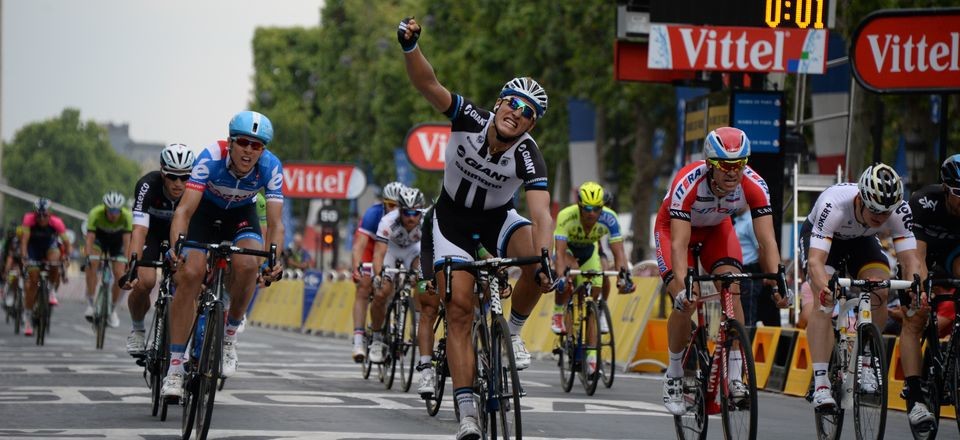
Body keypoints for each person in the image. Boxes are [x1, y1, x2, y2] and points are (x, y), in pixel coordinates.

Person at [399, 17, 555, 440]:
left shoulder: (528, 155)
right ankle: (467, 412)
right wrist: (411, 48)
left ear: (530, 125)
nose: (517, 114)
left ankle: (516, 332)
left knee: (537, 263)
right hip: (450, 221)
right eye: (513, 104)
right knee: (461, 310)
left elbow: (541, 214)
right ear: (499, 103)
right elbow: (429, 85)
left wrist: (544, 260)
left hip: (496, 219)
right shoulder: (468, 116)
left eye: (528, 113)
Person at [657, 127, 789, 415]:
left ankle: (734, 374)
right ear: (710, 164)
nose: (733, 173)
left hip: (717, 231)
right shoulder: (687, 183)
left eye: (740, 164)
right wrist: (682, 287)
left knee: (733, 286)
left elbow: (766, 240)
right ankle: (675, 374)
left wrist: (777, 279)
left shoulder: (754, 184)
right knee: (686, 299)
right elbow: (679, 245)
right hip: (676, 232)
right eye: (726, 166)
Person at [160, 110, 284, 399]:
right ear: (231, 142)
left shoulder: (271, 166)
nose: (249, 151)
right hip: (205, 212)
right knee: (191, 274)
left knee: (249, 262)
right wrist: (177, 248)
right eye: (243, 143)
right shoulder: (211, 157)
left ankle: (229, 336)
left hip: (242, 215)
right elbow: (184, 211)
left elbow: (277, 223)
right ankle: (175, 369)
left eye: (257, 146)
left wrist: (274, 260)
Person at [800, 163, 922, 417]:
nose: (881, 218)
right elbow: (816, 262)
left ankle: (867, 361)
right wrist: (825, 288)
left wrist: (914, 289)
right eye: (875, 211)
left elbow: (911, 261)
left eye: (886, 213)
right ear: (860, 199)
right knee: (825, 301)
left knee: (881, 288)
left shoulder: (898, 209)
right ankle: (821, 382)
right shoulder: (833, 205)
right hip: (826, 242)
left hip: (861, 241)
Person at [898, 155, 960, 431]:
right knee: (916, 313)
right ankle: (914, 394)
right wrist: (920, 290)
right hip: (925, 251)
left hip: (954, 255)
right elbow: (916, 258)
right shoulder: (924, 202)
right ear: (946, 189)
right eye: (959, 193)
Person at [552, 181, 635, 375]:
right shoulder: (566, 216)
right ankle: (558, 312)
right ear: (580, 206)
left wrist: (625, 276)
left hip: (589, 252)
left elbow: (619, 253)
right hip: (569, 251)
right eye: (587, 209)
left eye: (596, 209)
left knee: (594, 297)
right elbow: (561, 253)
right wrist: (561, 276)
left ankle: (591, 355)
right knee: (567, 274)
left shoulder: (610, 218)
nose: (591, 213)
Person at [121, 143, 196, 355]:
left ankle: (184, 343)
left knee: (189, 284)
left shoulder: (196, 189)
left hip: (181, 235)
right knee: (144, 281)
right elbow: (138, 231)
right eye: (172, 176)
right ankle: (137, 330)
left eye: (185, 177)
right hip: (152, 234)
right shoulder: (147, 185)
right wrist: (132, 265)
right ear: (162, 172)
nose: (179, 183)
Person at [369, 187, 424, 368]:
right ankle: (377, 339)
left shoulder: (428, 221)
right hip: (390, 251)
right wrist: (378, 275)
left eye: (415, 213)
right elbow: (379, 253)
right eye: (406, 212)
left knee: (423, 279)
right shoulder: (387, 221)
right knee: (381, 293)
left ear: (421, 211)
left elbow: (431, 251)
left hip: (413, 251)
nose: (411, 217)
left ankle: (416, 324)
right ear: (399, 210)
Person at [350, 181, 404, 362]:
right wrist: (358, 266)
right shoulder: (373, 215)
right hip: (372, 248)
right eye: (391, 205)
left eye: (398, 206)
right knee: (364, 285)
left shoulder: (409, 218)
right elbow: (360, 245)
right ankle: (358, 339)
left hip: (393, 249)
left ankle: (397, 330)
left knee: (396, 286)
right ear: (384, 203)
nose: (394, 209)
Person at [19, 198, 71, 336]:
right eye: (39, 215)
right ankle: (28, 317)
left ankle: (52, 290)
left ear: (50, 214)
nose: (42, 218)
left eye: (45, 215)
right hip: (33, 249)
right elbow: (24, 241)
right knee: (33, 282)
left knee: (55, 262)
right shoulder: (28, 220)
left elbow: (66, 243)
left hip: (49, 247)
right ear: (35, 214)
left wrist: (67, 256)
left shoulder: (57, 222)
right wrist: (24, 257)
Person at [84, 191, 133, 328]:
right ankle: (90, 303)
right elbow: (90, 238)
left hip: (117, 244)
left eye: (116, 210)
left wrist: (128, 261)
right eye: (110, 210)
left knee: (120, 274)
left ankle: (112, 309)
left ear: (121, 209)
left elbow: (127, 242)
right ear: (105, 207)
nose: (113, 214)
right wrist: (88, 256)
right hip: (99, 241)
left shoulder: (126, 216)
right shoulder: (95, 213)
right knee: (92, 264)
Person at [732, 206, 762, 326]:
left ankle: (746, 344)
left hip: (748, 273)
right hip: (736, 271)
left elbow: (761, 248)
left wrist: (764, 272)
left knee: (747, 316)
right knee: (734, 314)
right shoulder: (737, 220)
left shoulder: (750, 221)